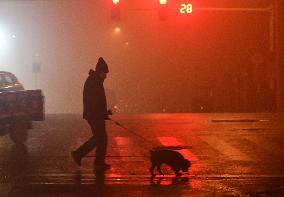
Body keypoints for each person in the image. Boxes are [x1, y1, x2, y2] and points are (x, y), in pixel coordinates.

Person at [71, 57, 111, 169]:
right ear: (100, 71)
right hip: (95, 116)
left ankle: (84, 156)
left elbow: (97, 101)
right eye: (105, 73)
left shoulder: (95, 81)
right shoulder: (94, 82)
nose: (106, 76)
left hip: (95, 115)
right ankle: (89, 158)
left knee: (99, 138)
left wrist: (104, 112)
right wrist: (102, 113)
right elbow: (94, 101)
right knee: (100, 137)